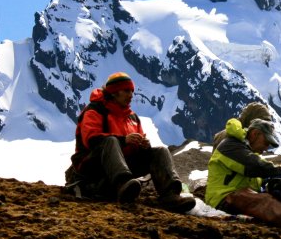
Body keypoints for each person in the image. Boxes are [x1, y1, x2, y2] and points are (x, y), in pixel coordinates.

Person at [69, 72, 196, 213]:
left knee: (160, 151)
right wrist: (124, 140)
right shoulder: (95, 110)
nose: (130, 95)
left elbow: (134, 146)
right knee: (110, 141)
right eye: (126, 91)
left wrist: (143, 146)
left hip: (120, 166)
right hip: (92, 166)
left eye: (131, 91)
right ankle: (123, 184)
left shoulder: (132, 117)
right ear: (114, 93)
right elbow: (92, 140)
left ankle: (170, 195)